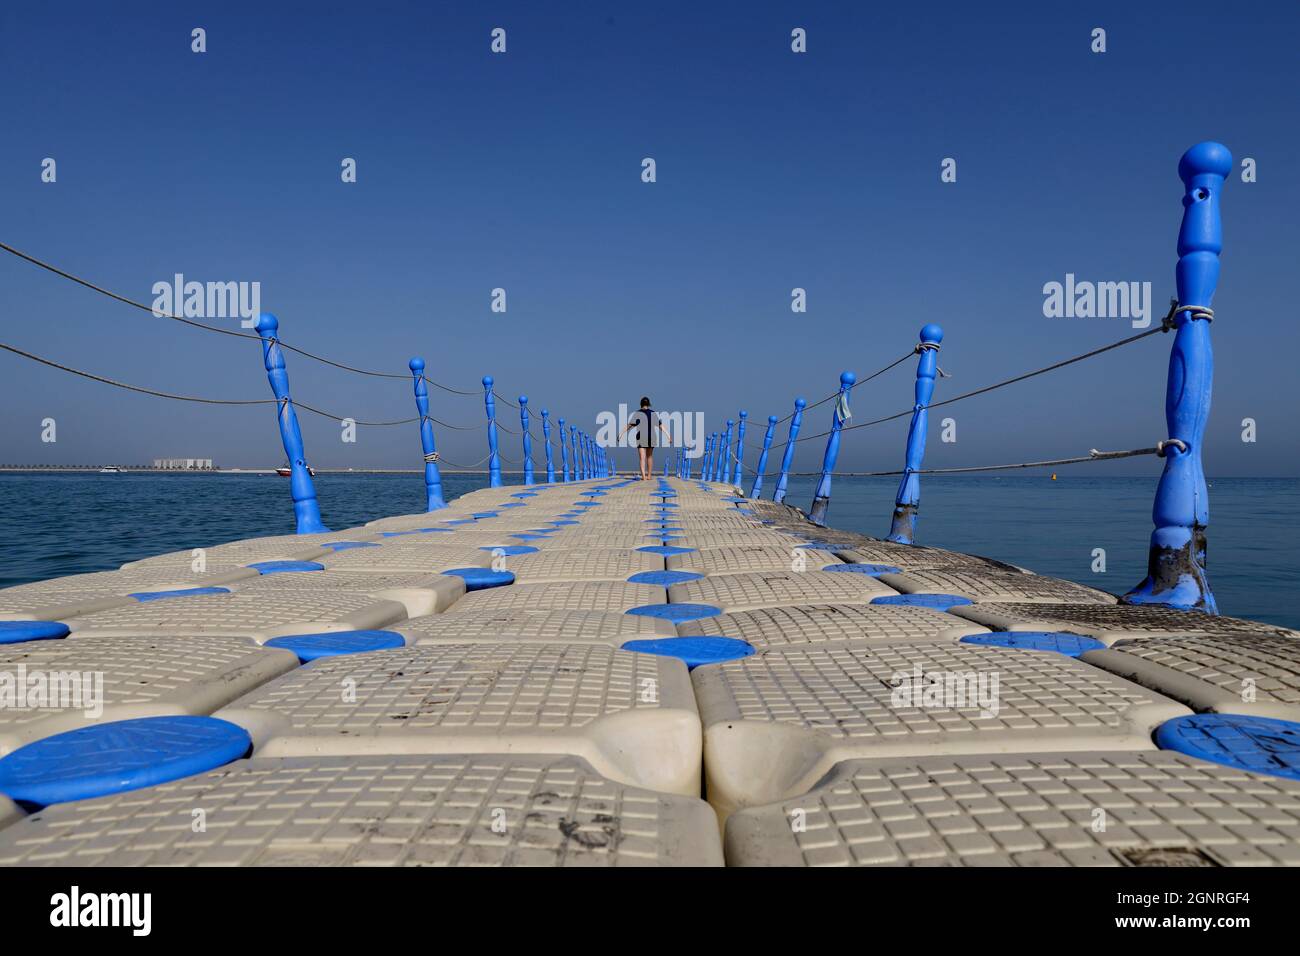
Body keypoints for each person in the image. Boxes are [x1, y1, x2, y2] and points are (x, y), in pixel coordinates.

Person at [622, 397, 670, 479]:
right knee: (650, 456)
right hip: (651, 437)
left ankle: (643, 476)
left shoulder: (637, 413)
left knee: (642, 457)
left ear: (641, 404)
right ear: (648, 404)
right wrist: (668, 436)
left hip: (641, 437)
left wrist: (621, 433)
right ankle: (649, 476)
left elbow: (629, 426)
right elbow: (660, 426)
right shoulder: (653, 413)